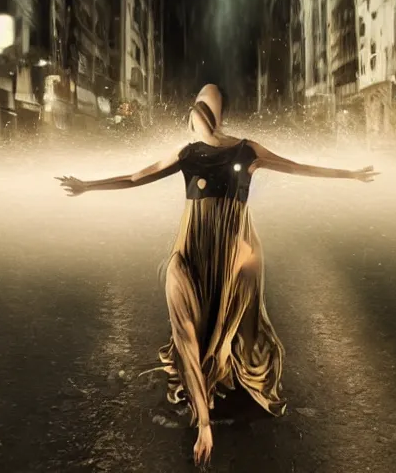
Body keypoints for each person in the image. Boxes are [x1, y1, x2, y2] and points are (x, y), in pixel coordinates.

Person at [55, 84, 377, 466]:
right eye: (197, 107)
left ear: (212, 114)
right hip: (190, 251)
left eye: (204, 107)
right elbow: (134, 177)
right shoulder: (187, 154)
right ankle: (204, 414)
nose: (198, 113)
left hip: (232, 250)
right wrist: (87, 186)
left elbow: (299, 167)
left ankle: (220, 381)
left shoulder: (246, 149)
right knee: (185, 323)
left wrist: (351, 174)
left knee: (231, 312)